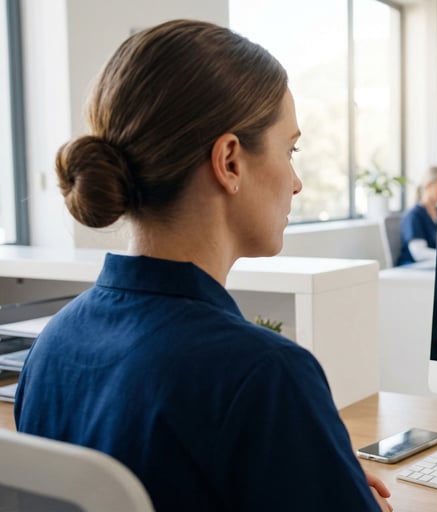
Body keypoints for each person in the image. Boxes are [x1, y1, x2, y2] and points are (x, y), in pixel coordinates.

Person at [14, 20, 392, 512]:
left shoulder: (52, 346)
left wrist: (314, 467)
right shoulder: (263, 374)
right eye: (290, 150)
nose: (296, 182)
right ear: (230, 161)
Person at [397, 167, 437, 266]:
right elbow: (419, 253)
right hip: (412, 266)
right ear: (428, 185)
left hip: (432, 264)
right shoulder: (413, 215)